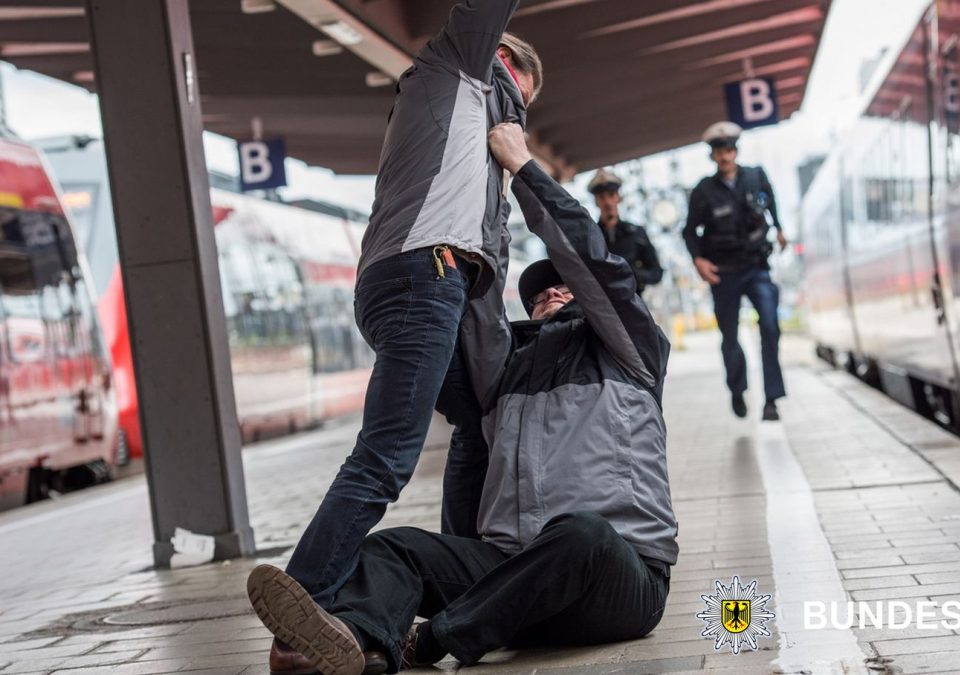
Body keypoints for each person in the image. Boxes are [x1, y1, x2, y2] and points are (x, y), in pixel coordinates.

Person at [246, 122, 678, 675]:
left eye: (562, 286)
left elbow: (592, 266)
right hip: (510, 579)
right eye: (538, 291)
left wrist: (522, 171)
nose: (550, 291)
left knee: (581, 532)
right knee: (391, 547)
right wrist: (478, 193)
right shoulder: (503, 370)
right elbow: (476, 289)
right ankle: (357, 643)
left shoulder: (630, 349)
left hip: (616, 579)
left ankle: (428, 643)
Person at [247, 0, 544, 651]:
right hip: (422, 276)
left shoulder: (473, 146)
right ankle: (303, 608)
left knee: (477, 416)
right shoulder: (459, 67)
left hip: (416, 280)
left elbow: (489, 279)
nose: (515, 101)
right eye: (515, 81)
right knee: (386, 456)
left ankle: (458, 585)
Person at [682, 121, 787, 421]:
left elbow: (772, 203)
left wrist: (779, 229)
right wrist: (699, 261)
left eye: (728, 150)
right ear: (713, 156)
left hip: (756, 268)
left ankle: (771, 400)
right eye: (719, 152)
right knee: (729, 335)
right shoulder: (703, 191)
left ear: (735, 151)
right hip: (723, 273)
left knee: (769, 325)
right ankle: (737, 388)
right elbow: (689, 232)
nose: (725, 156)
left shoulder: (756, 177)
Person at [587, 168, 663, 294]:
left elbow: (656, 273)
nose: (607, 202)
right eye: (602, 197)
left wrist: (636, 276)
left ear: (619, 198)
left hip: (635, 300)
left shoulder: (637, 234)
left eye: (611, 195)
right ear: (596, 201)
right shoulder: (590, 237)